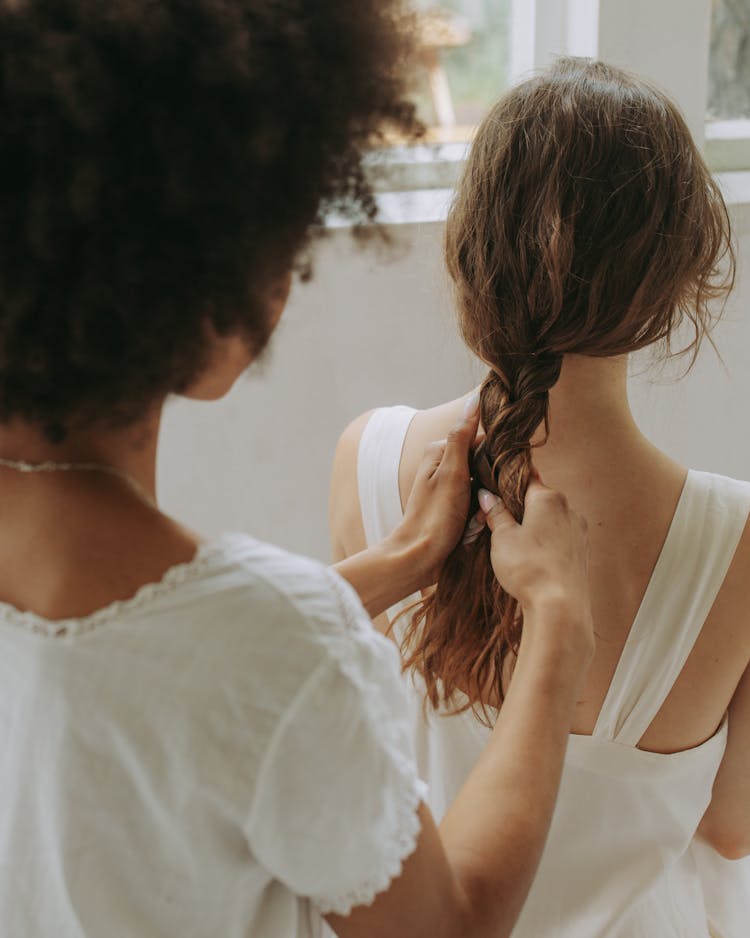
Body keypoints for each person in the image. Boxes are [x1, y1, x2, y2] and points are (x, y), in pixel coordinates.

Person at [0, 5, 595, 938]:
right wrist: (559, 628)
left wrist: (393, 561)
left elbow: (165, 665)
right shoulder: (281, 651)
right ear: (207, 294)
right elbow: (451, 925)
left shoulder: (256, 644)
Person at [331, 57, 750, 938]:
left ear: (470, 248)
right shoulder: (737, 540)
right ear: (674, 284)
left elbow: (346, 750)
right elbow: (729, 827)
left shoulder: (369, 458)